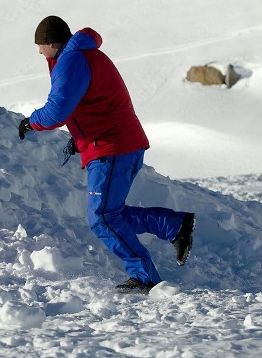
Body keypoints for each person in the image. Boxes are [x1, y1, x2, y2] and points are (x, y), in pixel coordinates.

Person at [18, 15, 195, 294]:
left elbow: (58, 110)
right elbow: (92, 102)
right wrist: (80, 138)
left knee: (101, 217)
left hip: (112, 147)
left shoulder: (72, 60)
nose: (39, 51)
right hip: (117, 144)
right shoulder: (83, 55)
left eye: (40, 45)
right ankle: (173, 224)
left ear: (51, 42)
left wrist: (31, 122)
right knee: (112, 213)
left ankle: (145, 276)